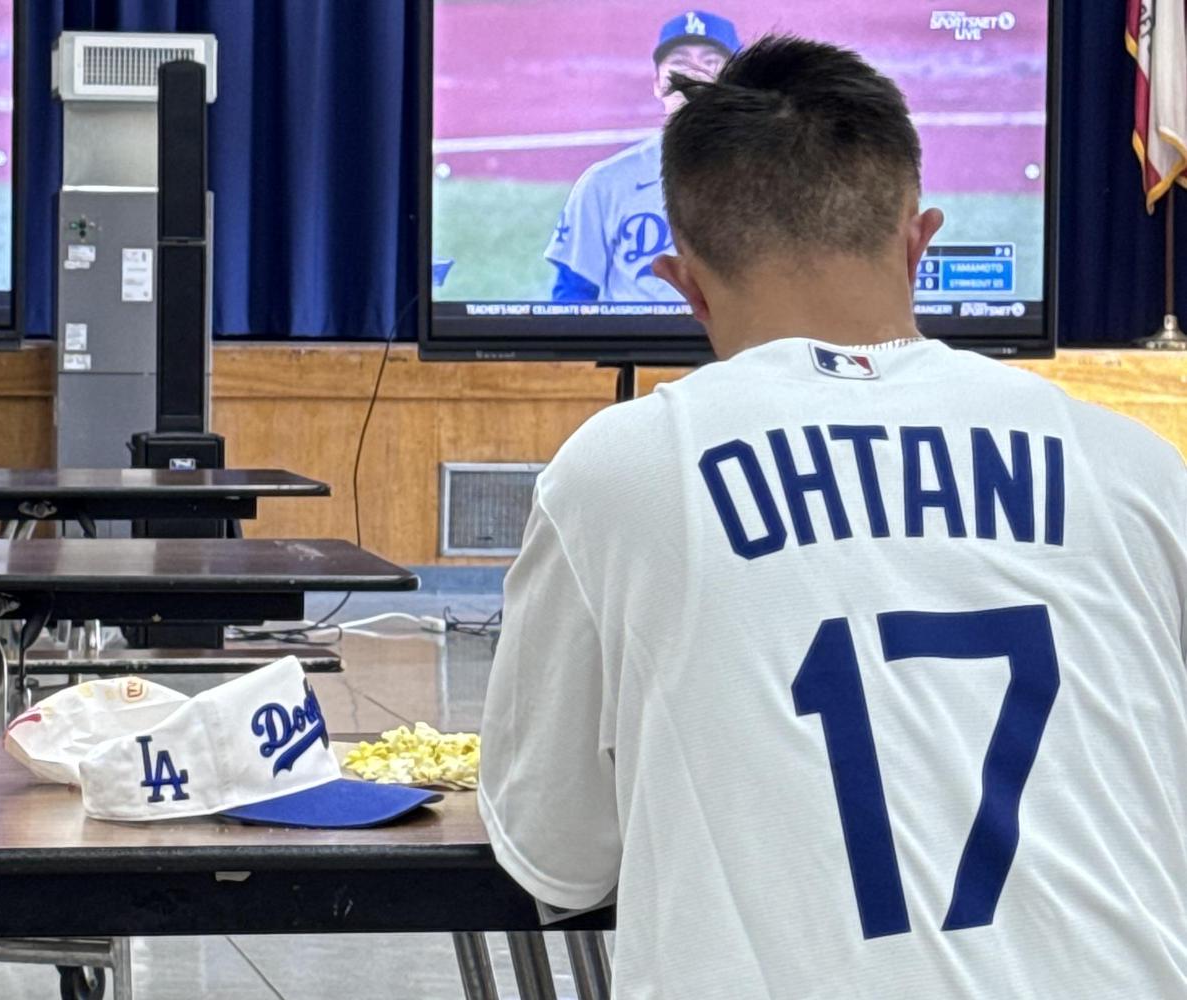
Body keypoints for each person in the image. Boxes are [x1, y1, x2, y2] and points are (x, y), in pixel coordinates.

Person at [481, 35, 1187, 998]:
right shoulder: (1140, 470)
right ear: (919, 238)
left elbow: (557, 856)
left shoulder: (615, 473)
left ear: (681, 282)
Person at [544, 11, 738, 303]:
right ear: (658, 83)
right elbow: (571, 299)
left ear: (737, 81)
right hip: (636, 348)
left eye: (710, 63)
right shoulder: (605, 183)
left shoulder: (775, 180)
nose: (694, 75)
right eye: (680, 63)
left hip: (741, 348)